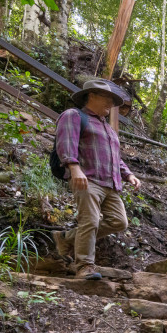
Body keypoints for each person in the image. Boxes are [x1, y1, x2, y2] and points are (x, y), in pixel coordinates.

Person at [52, 79, 142, 281]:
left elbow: (115, 158)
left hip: (110, 184)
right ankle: (84, 266)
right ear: (91, 96)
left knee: (119, 222)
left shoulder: (108, 129)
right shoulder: (74, 116)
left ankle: (65, 238)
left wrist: (129, 175)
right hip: (87, 179)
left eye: (112, 100)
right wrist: (74, 168)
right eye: (106, 98)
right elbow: (66, 142)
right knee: (90, 221)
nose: (110, 104)